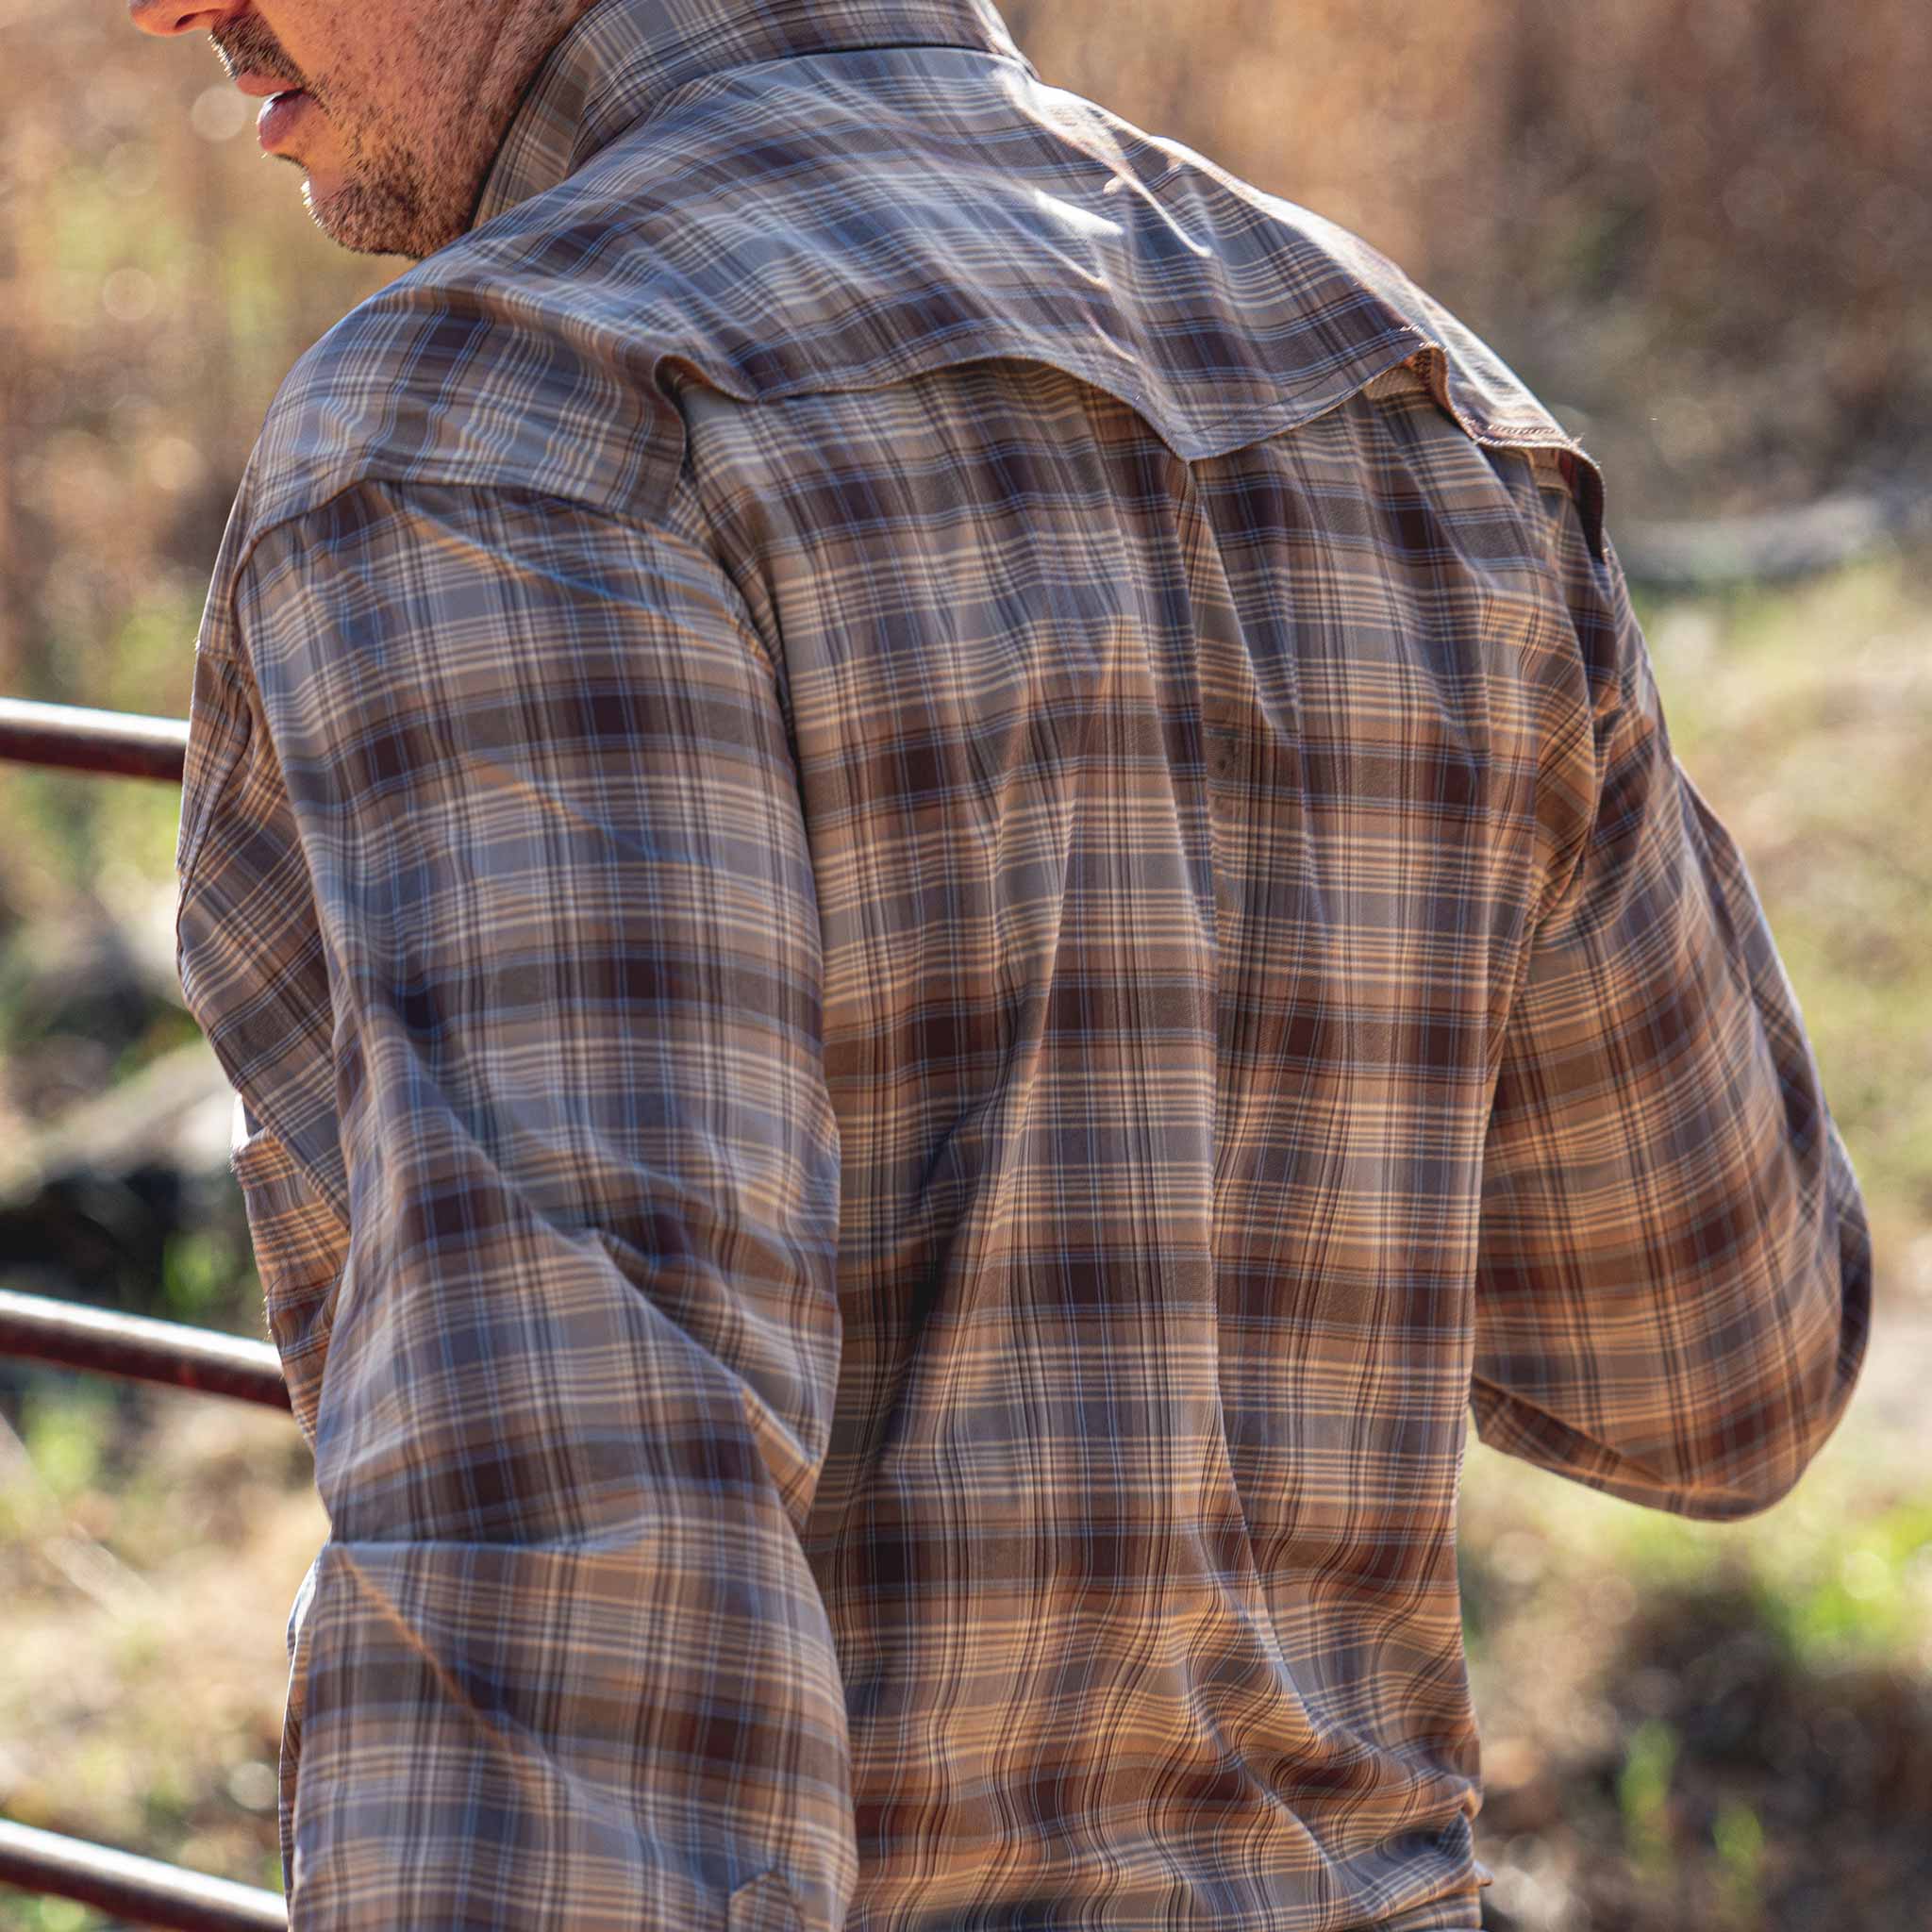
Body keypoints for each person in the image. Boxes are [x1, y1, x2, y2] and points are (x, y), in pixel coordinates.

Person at [129, 0, 1873, 1925]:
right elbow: (1720, 1359)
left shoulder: (505, 424)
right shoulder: (1412, 392)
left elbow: (576, 1592)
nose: (164, 3)